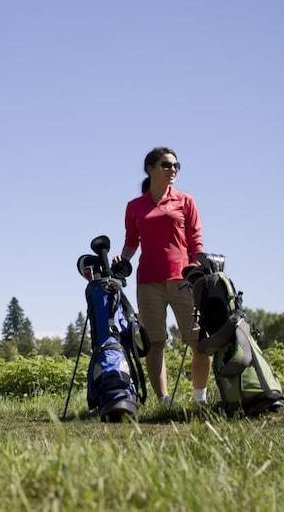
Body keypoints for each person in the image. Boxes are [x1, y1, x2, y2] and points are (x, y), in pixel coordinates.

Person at [114, 147, 209, 406]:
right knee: (155, 342)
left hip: (183, 279)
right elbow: (132, 241)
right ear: (151, 169)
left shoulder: (185, 201)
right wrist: (121, 262)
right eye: (167, 165)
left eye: (176, 165)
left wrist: (199, 269)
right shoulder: (135, 207)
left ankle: (200, 399)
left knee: (200, 341)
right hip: (148, 282)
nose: (173, 170)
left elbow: (195, 241)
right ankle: (164, 401)